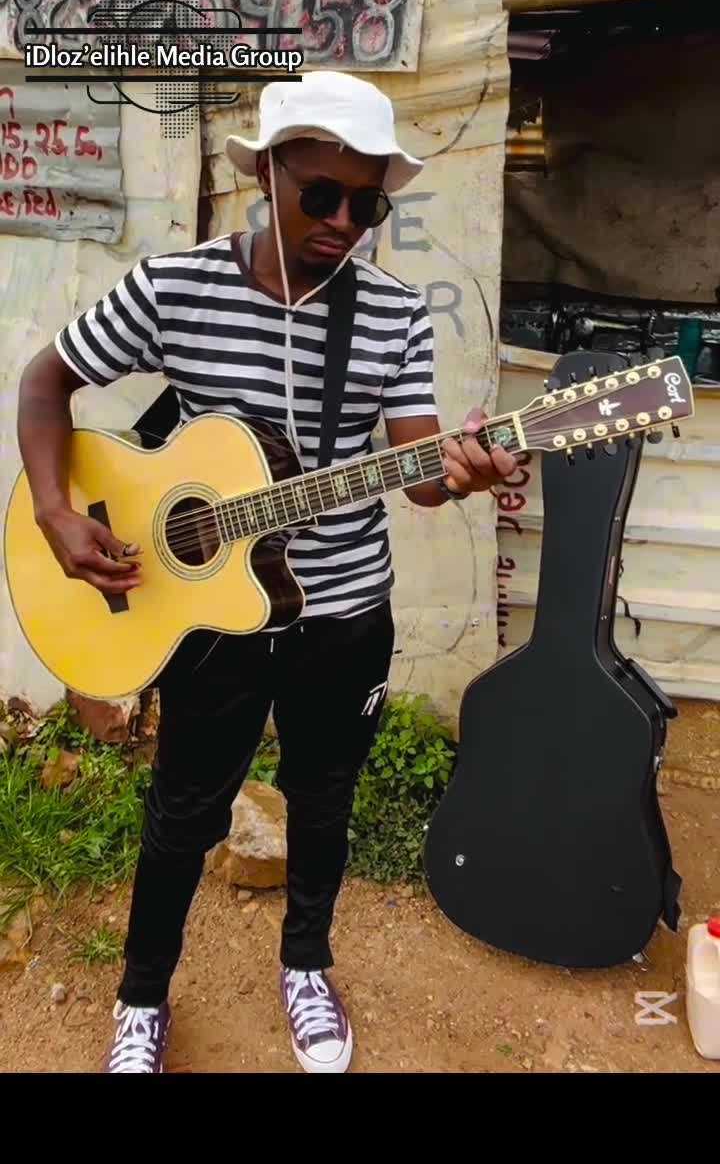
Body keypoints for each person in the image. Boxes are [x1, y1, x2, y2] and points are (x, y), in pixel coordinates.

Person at [16, 70, 516, 1074]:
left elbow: (419, 468)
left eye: (366, 206)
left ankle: (306, 966)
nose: (342, 224)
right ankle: (141, 996)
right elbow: (45, 380)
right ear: (267, 175)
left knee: (323, 798)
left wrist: (463, 469)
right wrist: (57, 511)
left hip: (344, 609)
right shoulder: (176, 287)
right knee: (183, 811)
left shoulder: (394, 314)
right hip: (208, 615)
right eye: (320, 195)